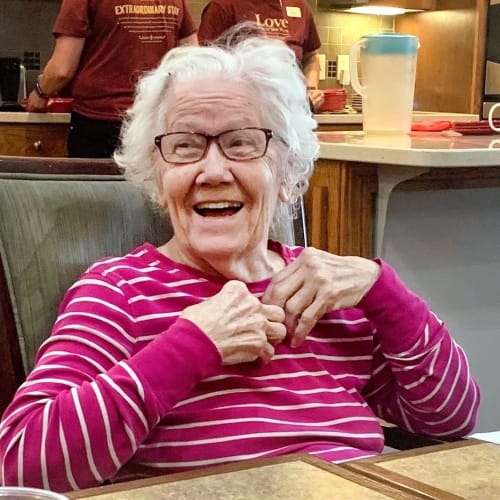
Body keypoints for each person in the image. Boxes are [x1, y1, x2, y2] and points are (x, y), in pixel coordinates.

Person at [0, 24, 479, 493]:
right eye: (185, 146)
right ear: (157, 176)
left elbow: (449, 419)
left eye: (242, 142)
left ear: (288, 172)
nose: (212, 170)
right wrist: (193, 346)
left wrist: (382, 290)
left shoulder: (327, 290)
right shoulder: (118, 292)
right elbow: (21, 465)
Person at [25, 0, 198, 158]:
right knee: (148, 190)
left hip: (99, 124)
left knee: (95, 192)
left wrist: (39, 94)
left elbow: (61, 70)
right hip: (154, 121)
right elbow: (193, 62)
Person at [198, 0, 325, 112]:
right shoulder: (223, 6)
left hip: (292, 112)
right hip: (241, 113)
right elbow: (206, 63)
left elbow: (311, 56)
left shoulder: (299, 5)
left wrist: (310, 90)